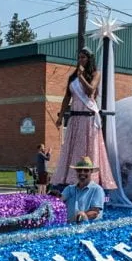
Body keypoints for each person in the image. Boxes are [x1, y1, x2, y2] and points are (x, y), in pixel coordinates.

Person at [53, 47, 117, 188]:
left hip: (88, 118)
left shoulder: (95, 74)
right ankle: (69, 179)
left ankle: (91, 180)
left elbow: (90, 91)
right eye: (79, 57)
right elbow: (67, 98)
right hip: (75, 118)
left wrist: (81, 76)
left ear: (89, 59)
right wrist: (60, 116)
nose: (80, 60)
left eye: (83, 57)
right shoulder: (72, 78)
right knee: (72, 148)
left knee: (87, 149)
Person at [59, 156, 105, 224]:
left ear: (91, 171)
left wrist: (82, 216)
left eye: (86, 170)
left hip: (88, 228)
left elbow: (95, 212)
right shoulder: (69, 188)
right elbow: (58, 201)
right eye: (79, 170)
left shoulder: (97, 190)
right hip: (69, 226)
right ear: (76, 172)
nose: (82, 173)